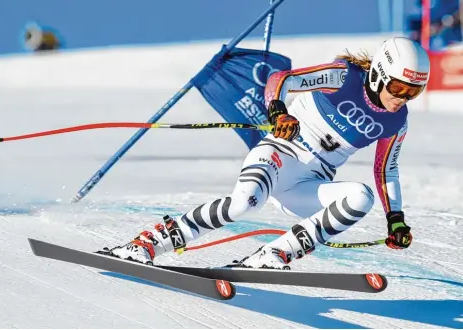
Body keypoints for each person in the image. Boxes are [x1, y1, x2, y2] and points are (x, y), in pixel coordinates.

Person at [105, 37, 430, 269]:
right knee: (244, 203)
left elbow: (386, 170)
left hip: (307, 184)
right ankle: (151, 241)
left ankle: (276, 254)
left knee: (360, 197)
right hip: (280, 153)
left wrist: (395, 220)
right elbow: (282, 79)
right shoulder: (343, 76)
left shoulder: (396, 121)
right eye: (398, 88)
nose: (402, 97)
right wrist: (279, 113)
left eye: (413, 92)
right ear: (378, 75)